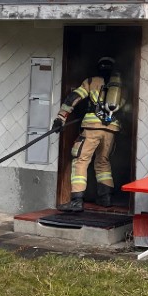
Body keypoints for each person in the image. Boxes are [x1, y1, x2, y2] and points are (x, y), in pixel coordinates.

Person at [52, 56, 125, 212]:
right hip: (111, 130)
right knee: (103, 161)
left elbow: (74, 98)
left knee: (81, 160)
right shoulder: (119, 87)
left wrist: (61, 117)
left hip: (92, 128)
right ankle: (106, 198)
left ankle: (77, 201)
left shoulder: (92, 81)